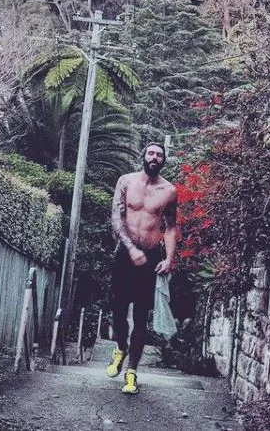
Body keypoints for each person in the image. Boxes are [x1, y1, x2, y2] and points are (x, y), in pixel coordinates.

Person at [106, 142, 177, 394]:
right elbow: (117, 218)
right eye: (151, 153)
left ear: (163, 160)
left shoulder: (169, 191)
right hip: (125, 254)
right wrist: (130, 248)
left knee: (140, 316)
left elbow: (171, 226)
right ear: (143, 156)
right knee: (118, 309)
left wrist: (169, 259)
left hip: (150, 258)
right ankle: (120, 347)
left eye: (159, 155)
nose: (154, 157)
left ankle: (132, 373)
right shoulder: (126, 181)